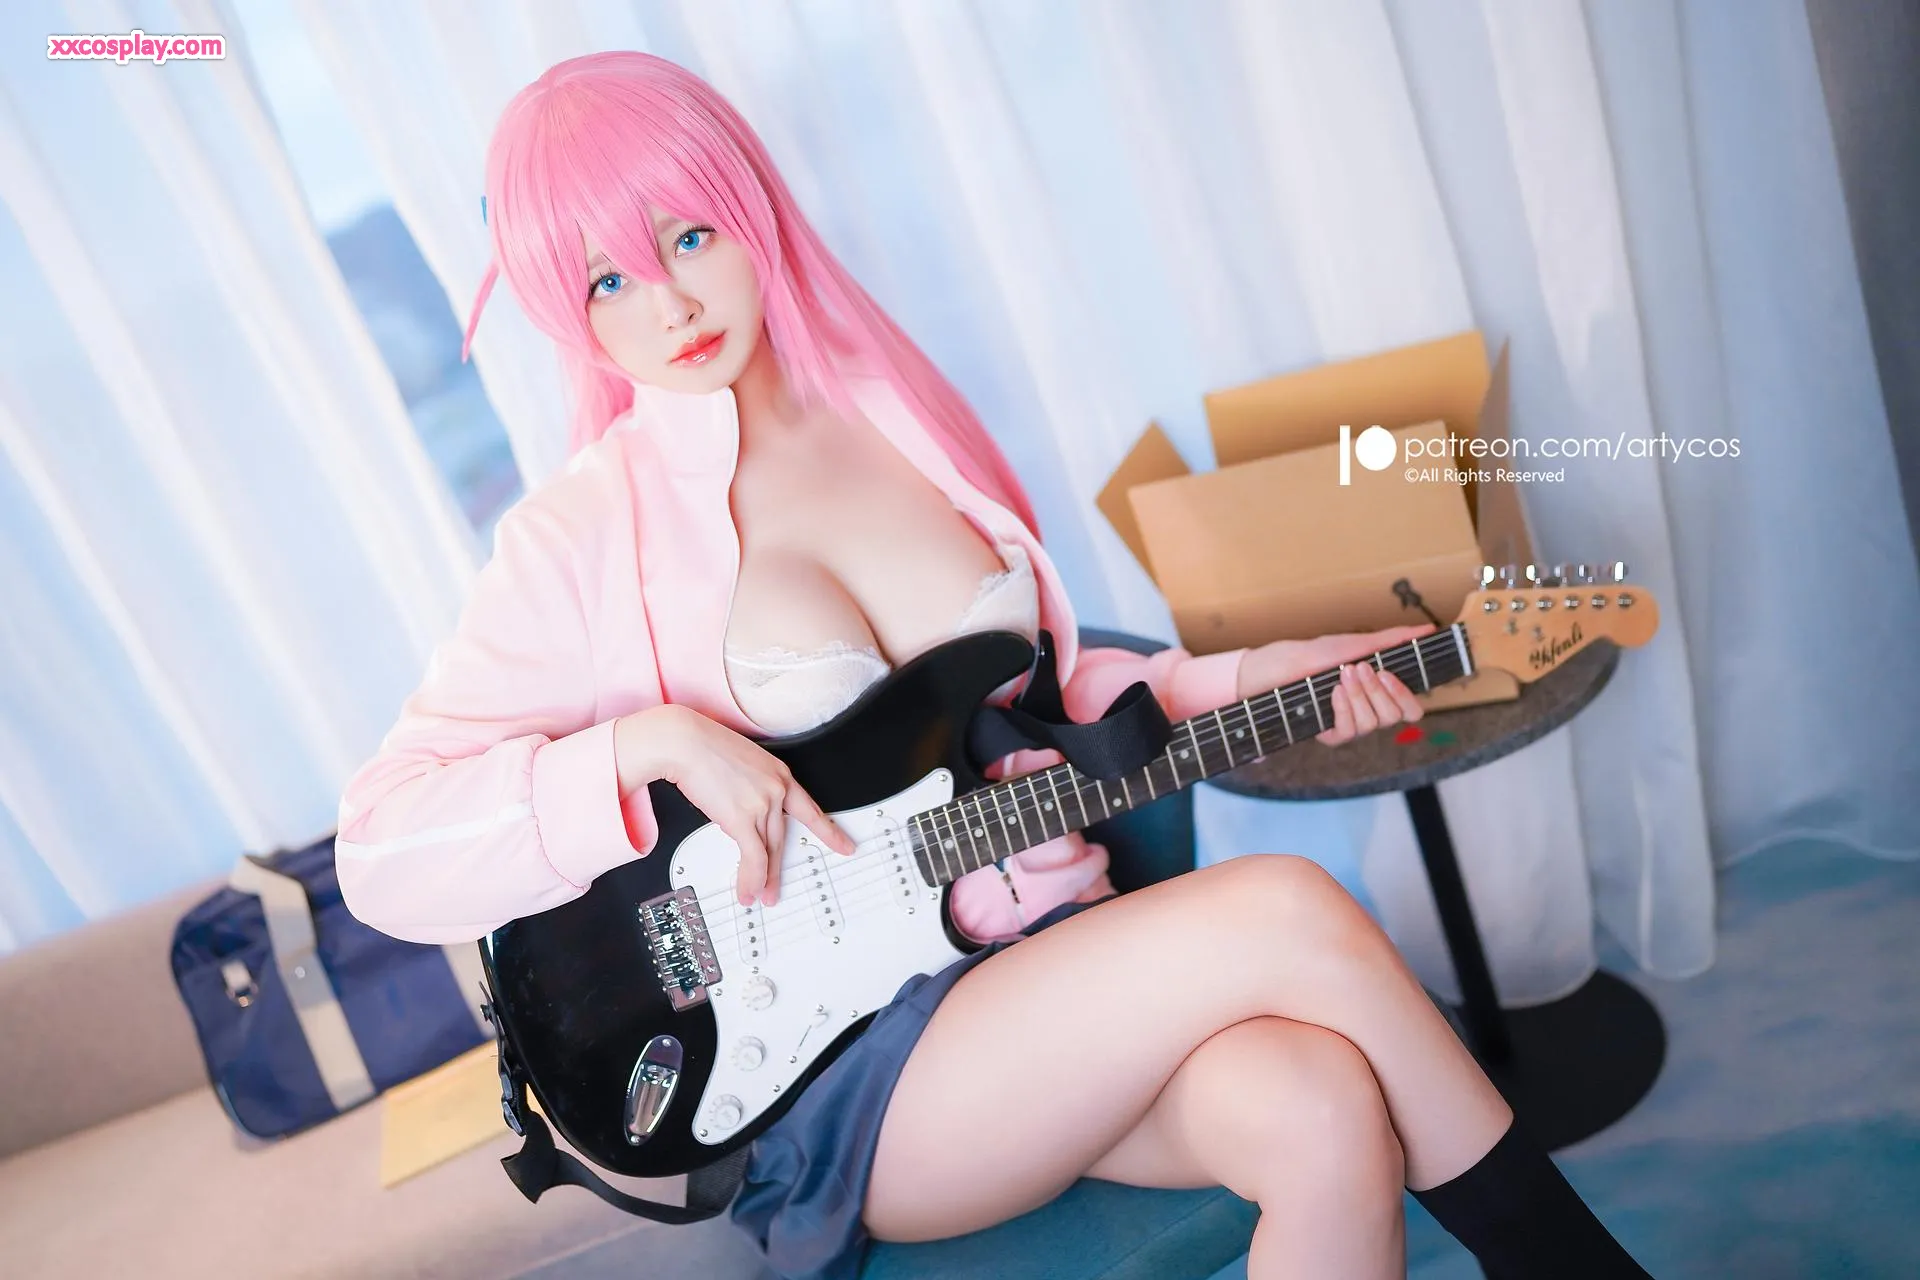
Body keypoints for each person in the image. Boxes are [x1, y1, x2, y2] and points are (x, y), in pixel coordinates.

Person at [335, 51, 1653, 1280]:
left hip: (1051, 972)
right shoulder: (583, 534)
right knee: (1287, 906)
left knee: (1323, 1110)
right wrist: (649, 746)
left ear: (750, 206)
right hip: (847, 1072)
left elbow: (1068, 706)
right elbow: (382, 851)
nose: (669, 304)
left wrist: (1296, 673)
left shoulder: (893, 409)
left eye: (690, 237)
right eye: (605, 283)